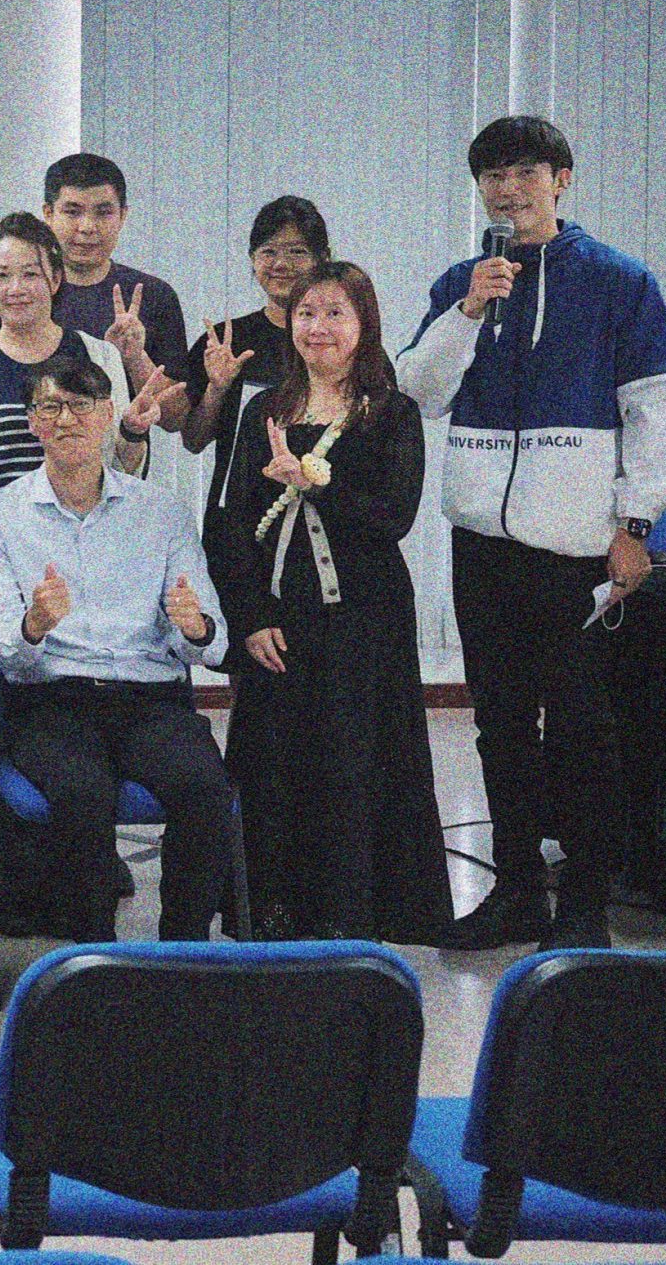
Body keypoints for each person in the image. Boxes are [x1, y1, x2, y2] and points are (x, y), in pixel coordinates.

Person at [395, 115, 666, 951]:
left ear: (562, 179)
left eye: (525, 172)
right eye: (492, 176)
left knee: (583, 727)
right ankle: (517, 891)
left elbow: (658, 411)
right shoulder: (462, 283)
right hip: (481, 540)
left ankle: (584, 903)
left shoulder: (619, 282)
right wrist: (467, 309)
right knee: (499, 725)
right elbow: (418, 389)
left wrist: (636, 523)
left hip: (576, 544)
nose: (508, 190)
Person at [217, 263, 450, 942]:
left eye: (334, 314)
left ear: (363, 324)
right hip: (280, 616)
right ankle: (272, 911)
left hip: (363, 618)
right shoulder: (264, 409)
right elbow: (235, 524)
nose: (318, 327)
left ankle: (354, 913)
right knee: (275, 761)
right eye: (306, 314)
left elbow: (393, 516)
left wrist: (313, 482)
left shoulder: (392, 413)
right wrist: (250, 617)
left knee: (353, 759)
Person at [0, 352, 232, 942]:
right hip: (51, 702)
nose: (66, 420)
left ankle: (185, 950)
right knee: (80, 793)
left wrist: (194, 627)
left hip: (150, 699)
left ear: (109, 413)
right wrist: (34, 624)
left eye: (81, 405)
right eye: (50, 407)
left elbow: (210, 637)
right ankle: (93, 958)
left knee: (204, 787)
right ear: (31, 422)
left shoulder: (160, 511)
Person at [174, 195, 330, 931]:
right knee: (257, 707)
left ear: (321, 259)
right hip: (240, 537)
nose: (282, 265)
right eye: (269, 251)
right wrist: (215, 384)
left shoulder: (335, 334)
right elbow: (194, 438)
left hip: (321, 541)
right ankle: (246, 884)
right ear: (251, 260)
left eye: (297, 251)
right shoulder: (227, 337)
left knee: (313, 711)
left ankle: (310, 878)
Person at [0, 215, 155, 579]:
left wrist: (133, 432)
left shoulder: (99, 355)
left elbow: (124, 470)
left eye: (30, 274)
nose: (15, 288)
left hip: (85, 554)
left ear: (55, 279)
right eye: (1, 275)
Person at [0, 153, 192, 402]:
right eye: (73, 212)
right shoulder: (14, 293)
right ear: (48, 214)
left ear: (122, 216)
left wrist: (135, 358)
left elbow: (177, 416)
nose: (87, 227)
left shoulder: (154, 295)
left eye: (103, 213)